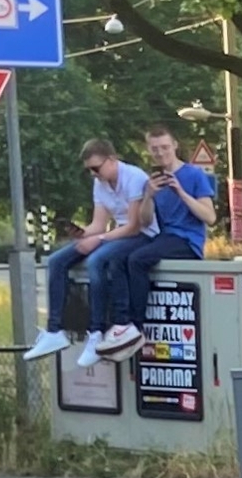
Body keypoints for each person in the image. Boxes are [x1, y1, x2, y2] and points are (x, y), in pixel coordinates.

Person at [91, 126, 214, 361]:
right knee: (118, 259)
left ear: (175, 146)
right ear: (149, 150)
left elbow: (209, 217)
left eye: (165, 147)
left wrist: (181, 192)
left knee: (137, 260)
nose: (161, 153)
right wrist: (149, 195)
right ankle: (121, 321)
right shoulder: (150, 180)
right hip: (164, 237)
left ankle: (136, 325)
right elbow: (146, 220)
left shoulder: (194, 175)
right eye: (155, 149)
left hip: (187, 240)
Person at [26, 139, 150, 361]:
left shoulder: (135, 177)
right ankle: (55, 330)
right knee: (56, 261)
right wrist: (83, 234)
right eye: (89, 171)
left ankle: (96, 332)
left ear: (112, 160)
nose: (94, 174)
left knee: (96, 261)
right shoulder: (100, 183)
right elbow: (99, 224)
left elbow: (133, 226)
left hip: (141, 235)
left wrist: (98, 239)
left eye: (96, 168)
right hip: (115, 234)